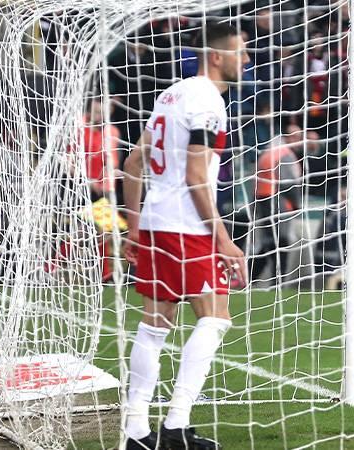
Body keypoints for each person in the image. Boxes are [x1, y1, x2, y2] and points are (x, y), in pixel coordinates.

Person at [122, 22, 249, 450]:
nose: (246, 60)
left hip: (157, 223)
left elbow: (134, 163)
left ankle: (136, 430)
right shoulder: (208, 102)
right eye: (240, 52)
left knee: (155, 326)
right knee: (214, 319)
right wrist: (224, 239)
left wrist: (135, 228)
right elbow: (197, 177)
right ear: (217, 56)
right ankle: (176, 425)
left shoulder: (170, 95)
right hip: (187, 228)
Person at [251, 124, 304, 285]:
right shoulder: (284, 154)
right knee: (280, 243)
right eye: (296, 137)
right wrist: (297, 204)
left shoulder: (269, 152)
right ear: (288, 137)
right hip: (278, 202)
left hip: (263, 201)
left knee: (268, 243)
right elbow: (288, 184)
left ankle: (249, 277)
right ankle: (277, 281)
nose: (299, 141)